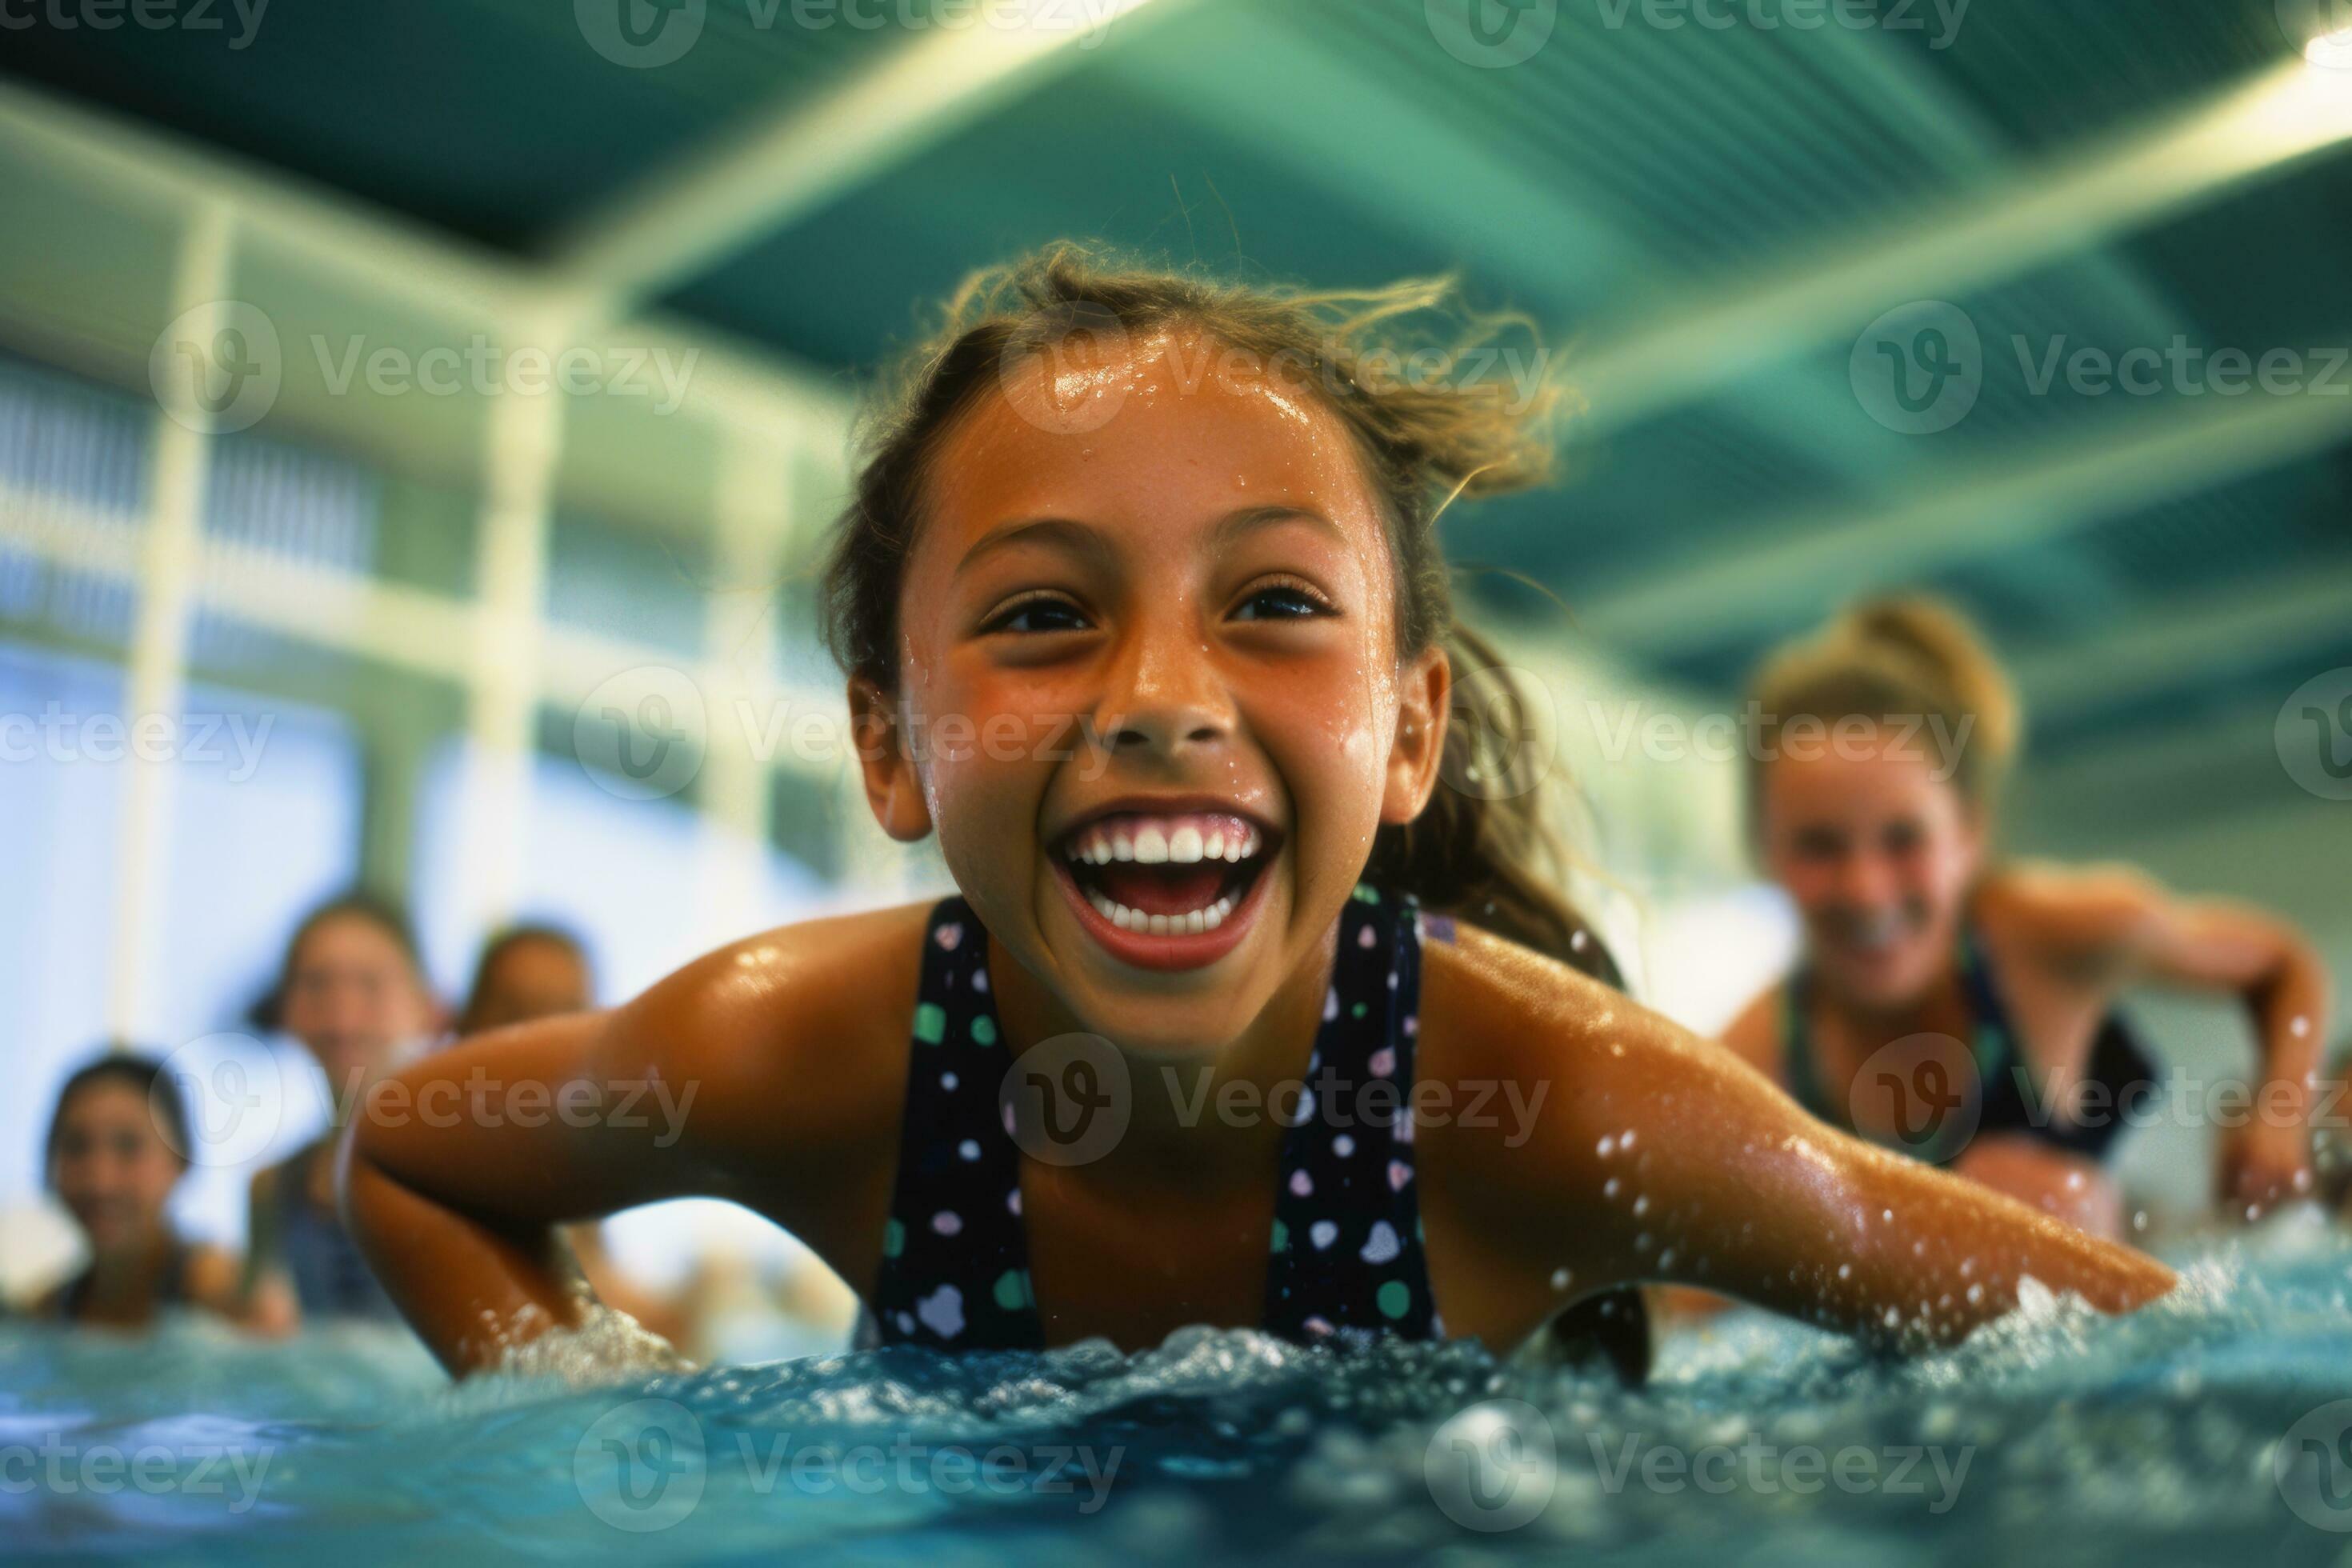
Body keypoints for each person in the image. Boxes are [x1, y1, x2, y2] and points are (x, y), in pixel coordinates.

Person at [344, 242, 2175, 1378]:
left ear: (1405, 736)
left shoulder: (1545, 1101)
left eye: (1277, 605)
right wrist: (610, 1452)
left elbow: (2132, 1338)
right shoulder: (818, 1052)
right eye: (1045, 617)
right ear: (891, 743)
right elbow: (416, 1159)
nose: (1156, 699)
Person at [1719, 599, 2334, 1238]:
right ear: (1763, 851)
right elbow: (1687, 1303)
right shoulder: (1753, 1064)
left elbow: (2282, 963)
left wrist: (2280, 1115)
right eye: (1820, 846)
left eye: (1904, 840)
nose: (1868, 892)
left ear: (1969, 834)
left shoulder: (2053, 937)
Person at [246, 893, 442, 1327]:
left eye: (370, 985)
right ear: (287, 1010)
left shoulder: (464, 1173)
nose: (343, 1015)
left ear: (427, 1009)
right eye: (317, 985)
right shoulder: (272, 1190)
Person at [35, 1053, 245, 1329]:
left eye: (128, 1146)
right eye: (76, 1147)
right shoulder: (48, 1312)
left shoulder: (226, 1296)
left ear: (180, 1161)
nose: (100, 1182)